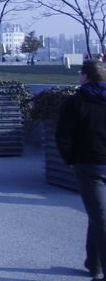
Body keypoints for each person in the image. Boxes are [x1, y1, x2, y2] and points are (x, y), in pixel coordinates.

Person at [56, 60, 106, 280]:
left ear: (85, 77)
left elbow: (63, 136)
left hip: (88, 165)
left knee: (100, 217)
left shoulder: (75, 103)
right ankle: (93, 264)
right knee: (98, 215)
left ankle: (99, 267)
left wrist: (70, 159)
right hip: (93, 164)